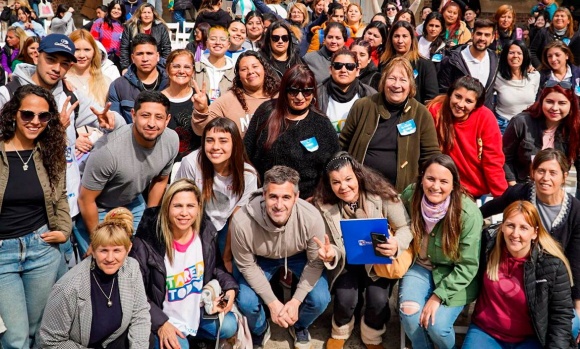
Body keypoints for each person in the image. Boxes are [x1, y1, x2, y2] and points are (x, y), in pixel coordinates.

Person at [480, 149, 580, 345]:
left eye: (553, 172)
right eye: (541, 171)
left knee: (573, 324)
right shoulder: (521, 193)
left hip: (553, 286)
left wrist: (578, 306)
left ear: (564, 176)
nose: (545, 178)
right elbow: (487, 210)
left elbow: (575, 263)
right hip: (520, 279)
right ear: (533, 172)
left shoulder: (575, 211)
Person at [313, 152, 412, 349]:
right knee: (345, 299)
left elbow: (405, 227)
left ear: (358, 175)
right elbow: (329, 242)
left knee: (379, 300)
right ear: (329, 184)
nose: (343, 187)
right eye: (336, 182)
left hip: (377, 258)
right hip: (346, 260)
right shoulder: (324, 205)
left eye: (348, 179)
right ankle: (340, 330)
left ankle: (372, 335)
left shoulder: (382, 194)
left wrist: (396, 244)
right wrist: (330, 253)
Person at [0, 84, 70, 348]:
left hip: (41, 248)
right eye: (27, 114)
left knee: (38, 331)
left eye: (43, 116)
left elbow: (61, 195)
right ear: (13, 115)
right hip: (3, 253)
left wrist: (64, 229)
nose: (35, 121)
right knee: (14, 337)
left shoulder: (51, 150)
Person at [130, 179, 239, 348]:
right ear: (167, 208)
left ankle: (194, 336)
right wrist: (161, 323)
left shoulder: (205, 232)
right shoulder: (146, 243)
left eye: (190, 206)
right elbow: (135, 293)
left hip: (196, 310)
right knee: (181, 346)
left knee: (229, 325)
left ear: (198, 208)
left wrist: (230, 288)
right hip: (163, 315)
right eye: (178, 206)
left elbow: (216, 266)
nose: (184, 213)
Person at [231, 166, 331, 349]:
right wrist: (273, 303)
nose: (279, 205)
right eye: (273, 197)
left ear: (296, 197)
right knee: (246, 301)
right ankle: (260, 328)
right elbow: (246, 265)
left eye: (286, 197)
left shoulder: (311, 217)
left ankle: (299, 324)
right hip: (259, 259)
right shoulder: (241, 221)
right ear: (263, 195)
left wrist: (295, 301)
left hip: (298, 256)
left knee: (320, 299)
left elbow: (315, 263)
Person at [77, 91, 178, 256]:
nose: (152, 123)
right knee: (103, 262)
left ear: (167, 120)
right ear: (133, 115)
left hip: (132, 200)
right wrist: (97, 238)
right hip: (98, 207)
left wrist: (149, 217)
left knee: (142, 254)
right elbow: (86, 199)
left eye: (159, 117)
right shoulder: (108, 151)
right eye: (145, 115)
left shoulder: (171, 140)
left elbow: (161, 179)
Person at [399, 154, 483, 349]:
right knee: (410, 314)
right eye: (430, 179)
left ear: (453, 185)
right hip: (420, 267)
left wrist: (438, 296)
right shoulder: (411, 195)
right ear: (421, 179)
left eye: (444, 181)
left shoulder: (468, 214)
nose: (436, 186)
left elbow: (468, 265)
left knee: (437, 327)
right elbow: (393, 218)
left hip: (455, 274)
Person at [465, 201, 574, 349]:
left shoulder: (551, 265)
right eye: (510, 225)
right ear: (502, 226)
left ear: (534, 232)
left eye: (524, 228)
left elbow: (561, 315)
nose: (515, 234)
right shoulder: (487, 247)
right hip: (486, 331)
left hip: (529, 337)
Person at [38, 208, 151, 348]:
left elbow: (140, 314)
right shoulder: (68, 288)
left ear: (128, 249)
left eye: (117, 250)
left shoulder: (131, 267)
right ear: (93, 249)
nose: (110, 258)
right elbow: (50, 341)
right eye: (104, 250)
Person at [340, 57, 440, 193]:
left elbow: (430, 156)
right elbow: (342, 144)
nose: (396, 85)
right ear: (383, 81)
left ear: (410, 85)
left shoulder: (421, 114)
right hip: (360, 189)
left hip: (400, 192)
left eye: (403, 80)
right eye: (392, 78)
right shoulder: (363, 106)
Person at [244, 64, 340, 199]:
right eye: (294, 91)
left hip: (308, 201)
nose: (300, 97)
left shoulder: (322, 123)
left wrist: (318, 196)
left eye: (306, 91)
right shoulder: (266, 112)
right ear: (284, 91)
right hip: (267, 197)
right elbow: (246, 153)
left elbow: (333, 165)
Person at [175, 117, 258, 265]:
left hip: (226, 224)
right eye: (210, 140)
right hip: (194, 221)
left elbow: (237, 217)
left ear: (235, 144)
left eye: (223, 141)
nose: (215, 146)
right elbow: (180, 202)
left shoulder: (248, 174)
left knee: (230, 266)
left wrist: (226, 256)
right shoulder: (191, 163)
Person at [427, 76, 507, 198]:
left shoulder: (486, 118)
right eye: (457, 96)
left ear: (476, 105)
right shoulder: (435, 111)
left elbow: (493, 161)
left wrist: (503, 199)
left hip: (475, 192)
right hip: (441, 187)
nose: (460, 104)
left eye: (468, 101)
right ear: (450, 94)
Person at [503, 84, 580, 195]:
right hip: (521, 186)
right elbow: (504, 157)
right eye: (549, 102)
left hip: (553, 190)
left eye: (562, 103)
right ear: (541, 101)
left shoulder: (575, 128)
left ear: (571, 105)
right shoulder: (521, 122)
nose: (554, 108)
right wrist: (513, 187)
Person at [192, 50, 279, 136]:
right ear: (238, 76)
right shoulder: (228, 100)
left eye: (255, 66)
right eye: (244, 69)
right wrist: (201, 111)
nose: (250, 72)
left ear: (264, 69)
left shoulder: (280, 97)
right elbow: (201, 130)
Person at [438, 19, 498, 110]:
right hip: (457, 114)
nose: (482, 38)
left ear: (492, 38)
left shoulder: (495, 59)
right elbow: (443, 91)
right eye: (479, 34)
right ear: (472, 34)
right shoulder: (453, 60)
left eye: (487, 35)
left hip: (482, 117)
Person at [108, 34, 169, 123]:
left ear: (157, 56)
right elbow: (115, 123)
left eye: (149, 53)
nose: (145, 59)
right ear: (132, 58)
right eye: (140, 54)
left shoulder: (170, 82)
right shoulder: (118, 86)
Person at [317, 48, 376, 134]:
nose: (343, 70)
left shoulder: (371, 95)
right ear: (330, 69)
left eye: (350, 66)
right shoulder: (316, 94)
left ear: (357, 71)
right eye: (338, 66)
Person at [381, 20, 439, 104]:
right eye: (396, 36)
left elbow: (431, 99)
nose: (400, 41)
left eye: (404, 36)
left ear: (412, 39)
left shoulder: (425, 65)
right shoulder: (384, 63)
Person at [494, 40, 541, 133]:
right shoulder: (496, 77)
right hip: (503, 124)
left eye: (519, 53)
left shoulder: (534, 76)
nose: (515, 56)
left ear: (525, 56)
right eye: (511, 53)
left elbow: (534, 97)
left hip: (528, 124)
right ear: (505, 56)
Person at [160, 49, 199, 160]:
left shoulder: (200, 98)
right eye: (176, 66)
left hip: (193, 165)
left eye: (187, 67)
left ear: (193, 71)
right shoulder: (157, 99)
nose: (181, 71)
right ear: (167, 69)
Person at [120, 3, 171, 73]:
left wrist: (163, 66)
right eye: (144, 12)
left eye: (149, 12)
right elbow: (124, 48)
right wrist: (125, 67)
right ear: (140, 14)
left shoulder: (161, 28)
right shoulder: (130, 28)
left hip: (156, 66)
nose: (146, 15)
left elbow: (166, 48)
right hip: (135, 65)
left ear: (153, 14)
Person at [66, 29, 112, 108]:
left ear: (94, 52)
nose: (82, 55)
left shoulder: (106, 82)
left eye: (87, 50)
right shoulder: (62, 81)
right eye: (76, 50)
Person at [194, 25, 235, 104]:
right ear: (207, 43)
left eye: (222, 39)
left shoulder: (235, 71)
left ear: (228, 44)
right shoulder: (196, 68)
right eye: (213, 39)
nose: (218, 42)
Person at [90, 1, 126, 71]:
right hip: (102, 59)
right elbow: (93, 41)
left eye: (119, 9)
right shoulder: (100, 22)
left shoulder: (124, 25)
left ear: (122, 11)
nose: (116, 11)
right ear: (110, 9)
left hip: (118, 61)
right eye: (114, 8)